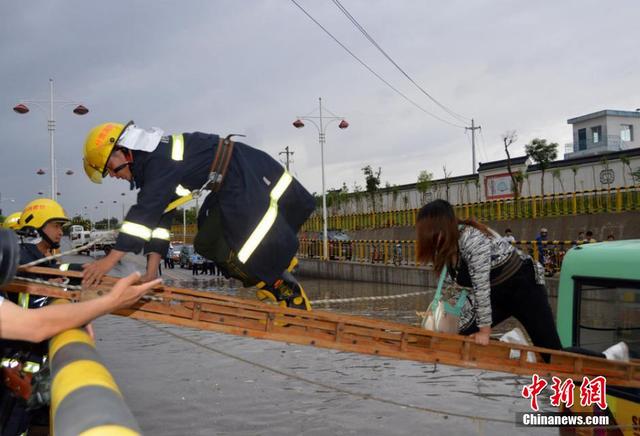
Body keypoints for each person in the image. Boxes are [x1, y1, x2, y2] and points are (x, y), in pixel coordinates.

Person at [81, 122, 314, 310]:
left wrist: (108, 261)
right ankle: (274, 274)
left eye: (110, 168)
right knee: (206, 242)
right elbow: (160, 220)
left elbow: (141, 218)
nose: (112, 175)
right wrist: (151, 274)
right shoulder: (154, 169)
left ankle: (283, 287)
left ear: (124, 151)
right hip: (227, 184)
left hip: (242, 173)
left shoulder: (157, 161)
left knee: (249, 246)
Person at [415, 200, 561, 355]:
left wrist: (484, 332)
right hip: (496, 293)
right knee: (458, 333)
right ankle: (513, 344)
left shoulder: (472, 239)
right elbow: (453, 291)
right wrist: (434, 318)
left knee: (551, 353)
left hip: (524, 287)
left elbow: (481, 287)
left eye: (428, 233)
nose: (427, 239)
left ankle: (516, 345)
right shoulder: (446, 249)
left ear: (442, 227)